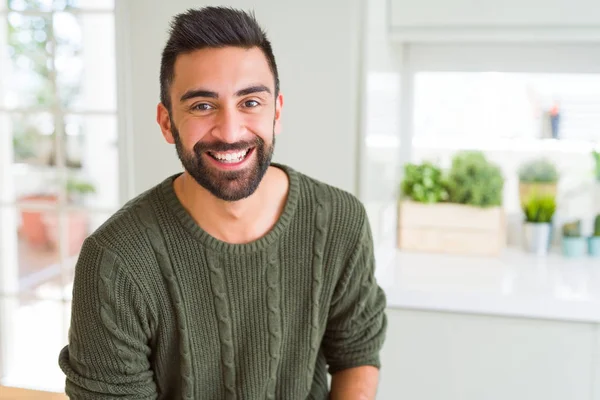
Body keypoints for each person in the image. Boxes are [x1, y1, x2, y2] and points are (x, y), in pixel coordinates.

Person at [58, 6, 387, 399]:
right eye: (202, 106)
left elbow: (357, 355)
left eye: (250, 102)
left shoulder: (340, 221)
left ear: (276, 112)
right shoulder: (115, 261)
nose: (230, 131)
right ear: (167, 123)